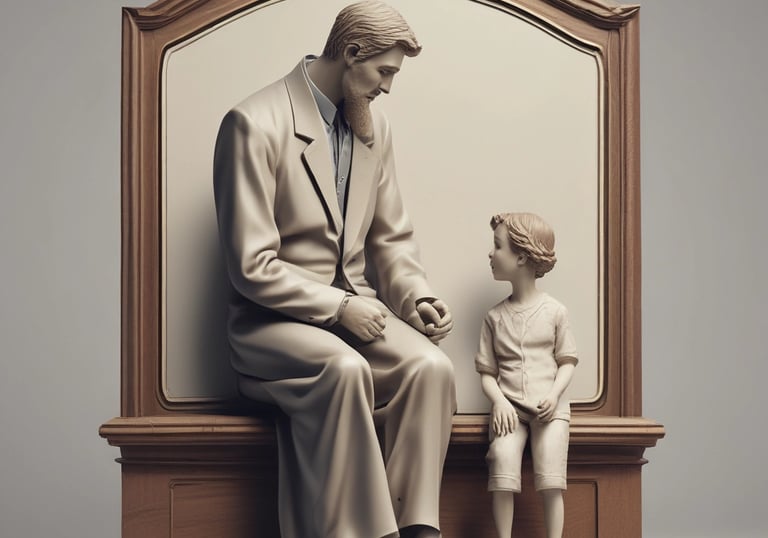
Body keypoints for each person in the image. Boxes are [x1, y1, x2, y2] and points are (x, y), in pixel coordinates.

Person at [212, 2, 456, 537]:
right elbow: (251, 266)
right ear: (350, 54)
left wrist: (415, 298)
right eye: (384, 71)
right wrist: (340, 306)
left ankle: (417, 528)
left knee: (432, 368)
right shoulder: (252, 123)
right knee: (344, 370)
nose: (388, 87)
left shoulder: (374, 128)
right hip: (269, 325)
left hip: (358, 313)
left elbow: (390, 239)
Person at [475, 212, 578, 538]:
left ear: (521, 257)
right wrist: (500, 402)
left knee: (551, 479)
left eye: (498, 247)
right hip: (511, 411)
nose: (491, 254)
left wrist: (553, 395)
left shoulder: (555, 312)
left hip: (550, 410)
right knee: (502, 465)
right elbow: (488, 373)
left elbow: (567, 361)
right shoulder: (494, 317)